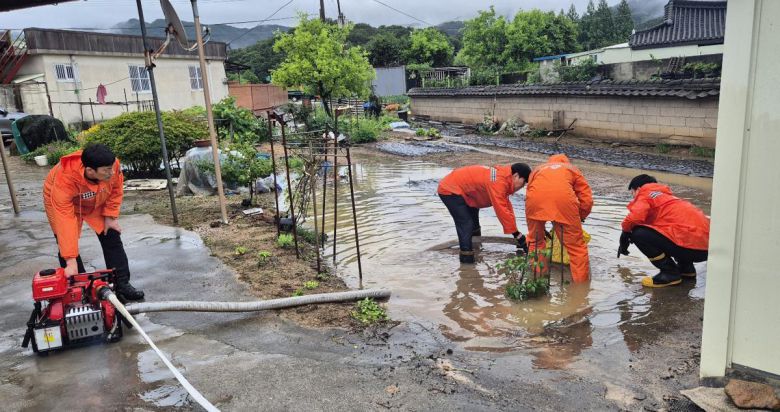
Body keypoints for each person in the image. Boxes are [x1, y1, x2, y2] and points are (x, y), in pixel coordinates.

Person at [43, 143, 144, 301]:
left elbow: (116, 189)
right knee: (66, 241)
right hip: (65, 201)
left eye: (112, 168)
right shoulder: (65, 180)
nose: (111, 172)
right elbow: (65, 220)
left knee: (111, 234)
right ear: (90, 170)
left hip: (96, 196)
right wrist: (70, 260)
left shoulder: (110, 165)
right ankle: (81, 288)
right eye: (106, 170)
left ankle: (122, 284)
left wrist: (110, 216)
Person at [618, 174, 709, 288]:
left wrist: (625, 234)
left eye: (632, 193)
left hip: (690, 248)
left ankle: (670, 273)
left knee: (638, 233)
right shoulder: (669, 198)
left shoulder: (645, 194)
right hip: (705, 251)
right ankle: (686, 270)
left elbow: (634, 218)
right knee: (672, 231)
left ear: (638, 189)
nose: (633, 198)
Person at [438, 163, 532, 263]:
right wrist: (517, 234)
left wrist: (517, 234)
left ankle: (476, 248)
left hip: (467, 193)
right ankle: (467, 262)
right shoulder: (498, 181)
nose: (522, 187)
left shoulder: (503, 178)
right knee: (466, 223)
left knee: (473, 223)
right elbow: (501, 210)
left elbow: (506, 209)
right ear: (516, 176)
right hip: (450, 189)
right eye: (523, 183)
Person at [525, 154, 593, 282]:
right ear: (566, 162)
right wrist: (581, 216)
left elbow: (530, 191)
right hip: (563, 203)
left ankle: (539, 279)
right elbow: (587, 199)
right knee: (576, 247)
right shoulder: (572, 169)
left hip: (534, 202)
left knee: (535, 241)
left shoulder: (538, 169)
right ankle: (580, 290)